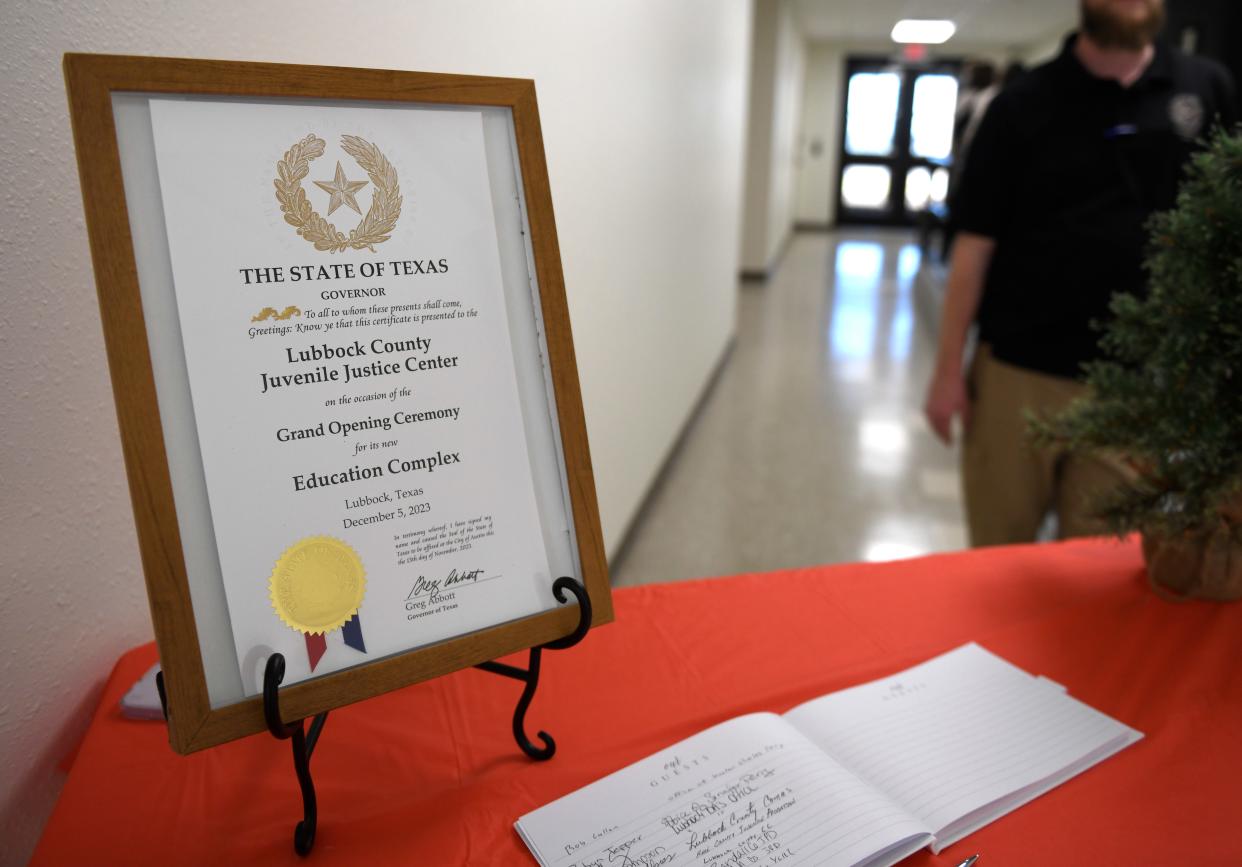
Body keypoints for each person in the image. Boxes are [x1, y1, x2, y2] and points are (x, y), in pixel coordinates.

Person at [923, 0, 1237, 546]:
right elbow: (975, 244)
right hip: (1019, 372)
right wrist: (948, 369)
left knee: (1100, 568)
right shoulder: (1020, 105)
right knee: (998, 554)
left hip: (1140, 385)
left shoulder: (1207, 90)